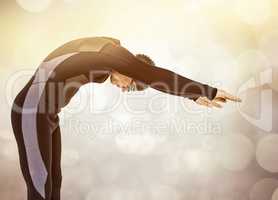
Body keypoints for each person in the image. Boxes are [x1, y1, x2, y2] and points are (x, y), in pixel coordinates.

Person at [10, 36, 241, 200]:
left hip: (47, 116)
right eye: (129, 84)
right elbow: (155, 76)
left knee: (55, 182)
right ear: (130, 70)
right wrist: (205, 91)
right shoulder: (114, 56)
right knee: (40, 183)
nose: (123, 89)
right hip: (30, 112)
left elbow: (147, 75)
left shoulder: (108, 57)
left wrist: (192, 97)